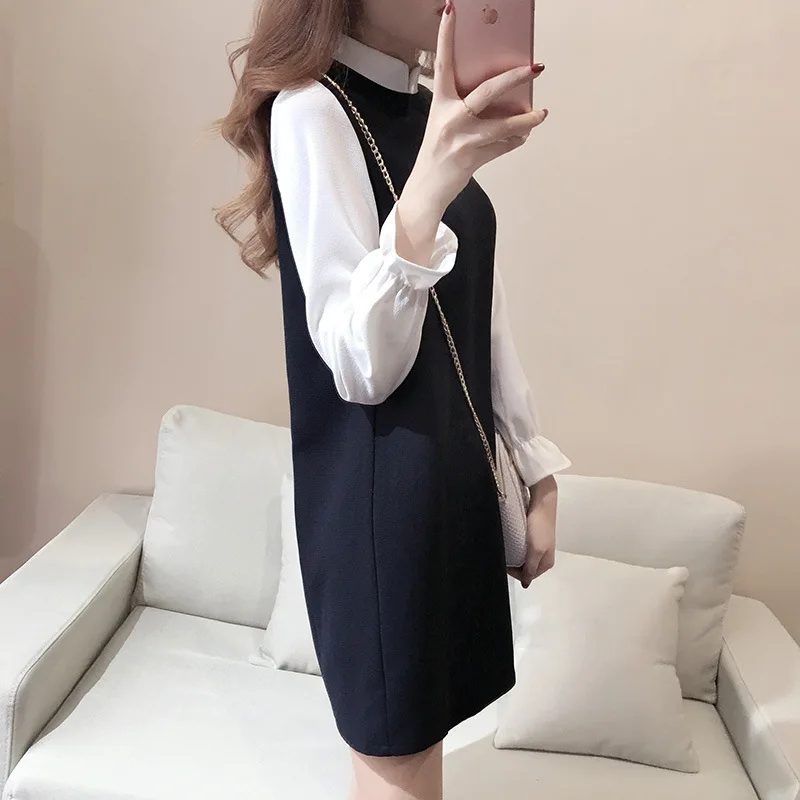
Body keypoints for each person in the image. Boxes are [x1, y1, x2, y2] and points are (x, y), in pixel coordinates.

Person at [217, 1, 571, 798]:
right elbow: (360, 365)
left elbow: (481, 314)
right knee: (401, 769)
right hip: (383, 511)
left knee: (418, 761)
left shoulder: (422, 111)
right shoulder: (313, 110)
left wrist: (535, 466)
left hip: (448, 490)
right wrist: (435, 180)